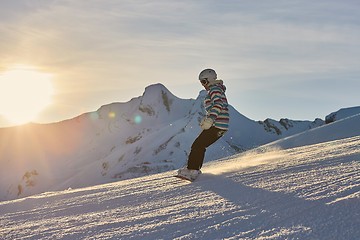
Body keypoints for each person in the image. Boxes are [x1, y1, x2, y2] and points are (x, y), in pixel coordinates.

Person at [177, 68, 230, 180]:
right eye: (201, 82)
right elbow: (216, 106)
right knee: (199, 145)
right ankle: (193, 169)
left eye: (204, 82)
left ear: (210, 80)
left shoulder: (214, 89)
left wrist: (210, 119)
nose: (203, 85)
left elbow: (218, 104)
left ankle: (192, 170)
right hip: (220, 125)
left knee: (198, 145)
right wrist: (207, 119)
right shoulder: (216, 90)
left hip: (217, 125)